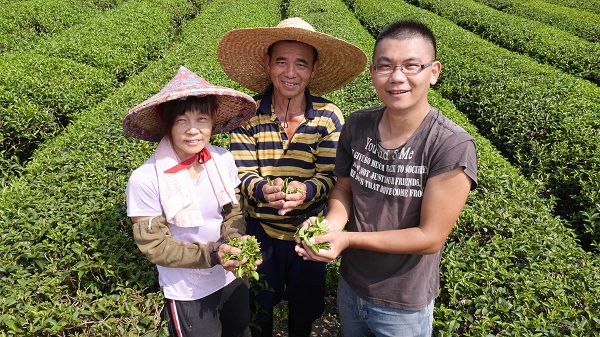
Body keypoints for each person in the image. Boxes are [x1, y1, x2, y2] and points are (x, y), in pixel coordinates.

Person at [295, 20, 478, 337]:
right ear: (373, 74)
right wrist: (332, 225)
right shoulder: (358, 124)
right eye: (385, 66)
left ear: (433, 72)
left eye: (411, 66)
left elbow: (430, 236)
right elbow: (343, 189)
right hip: (351, 285)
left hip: (402, 303)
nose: (396, 77)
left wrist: (348, 239)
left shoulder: (450, 145)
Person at [217, 17, 367, 337]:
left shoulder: (329, 116)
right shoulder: (248, 113)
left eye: (301, 63)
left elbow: (330, 176)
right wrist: (261, 189)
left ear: (313, 70)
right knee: (261, 309)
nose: (290, 72)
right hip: (261, 229)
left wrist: (307, 190)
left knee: (304, 311)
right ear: (267, 63)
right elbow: (240, 172)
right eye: (281, 61)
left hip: (308, 231)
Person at [123, 66, 260, 337]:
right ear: (168, 124)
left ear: (212, 122)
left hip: (231, 276)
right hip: (188, 290)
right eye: (181, 121)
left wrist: (233, 240)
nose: (193, 130)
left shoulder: (223, 160)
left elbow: (233, 211)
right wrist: (213, 254)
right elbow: (156, 247)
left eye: (201, 119)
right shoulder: (145, 179)